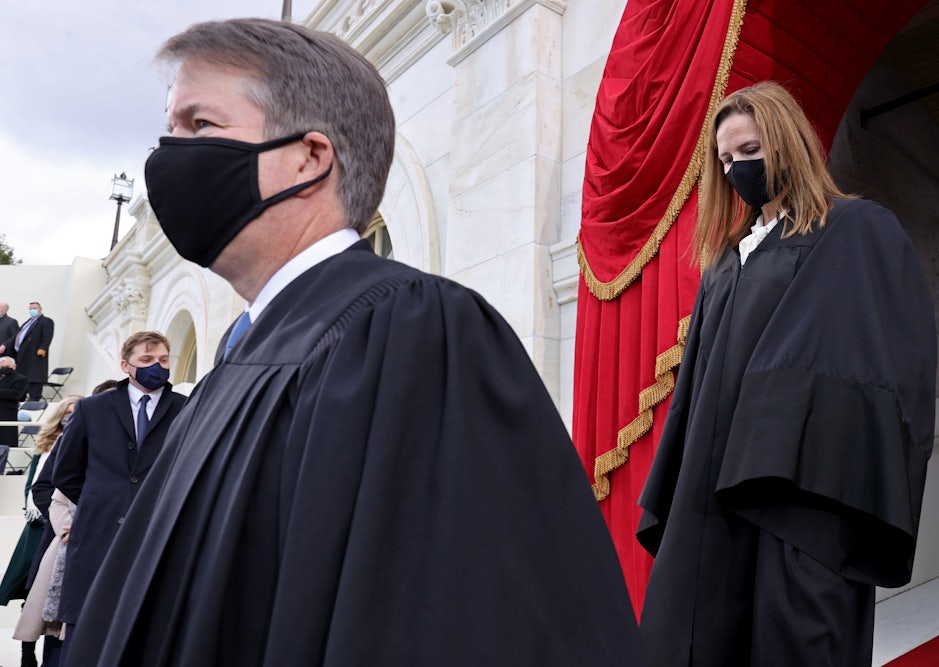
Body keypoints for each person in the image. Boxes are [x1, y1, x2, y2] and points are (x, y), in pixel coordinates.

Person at [66, 18, 642, 667]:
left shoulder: (415, 335)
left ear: (310, 158)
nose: (167, 159)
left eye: (200, 126)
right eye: (168, 130)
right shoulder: (238, 353)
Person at [635, 81, 937, 666]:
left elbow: (879, 368)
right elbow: (695, 392)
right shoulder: (725, 262)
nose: (736, 168)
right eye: (725, 160)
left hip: (797, 502)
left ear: (788, 142)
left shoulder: (851, 230)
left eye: (749, 151)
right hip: (713, 495)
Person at [50, 332, 186, 661]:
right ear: (126, 365)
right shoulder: (93, 409)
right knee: (86, 633)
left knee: (149, 629)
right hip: (98, 536)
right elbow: (65, 472)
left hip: (159, 534)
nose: (157, 366)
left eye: (164, 360)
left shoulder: (187, 409)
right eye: (147, 360)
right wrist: (101, 502)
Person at [6, 396, 81, 667]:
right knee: (33, 593)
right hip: (41, 527)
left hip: (55, 525)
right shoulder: (48, 445)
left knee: (44, 594)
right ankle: (28, 650)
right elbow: (35, 486)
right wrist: (51, 513)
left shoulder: (81, 443)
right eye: (68, 413)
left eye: (77, 413)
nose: (71, 418)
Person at [0, 303, 54, 402]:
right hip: (22, 357)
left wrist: (43, 348)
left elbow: (47, 336)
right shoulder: (27, 322)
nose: (32, 310)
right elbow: (16, 336)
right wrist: (5, 345)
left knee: (34, 386)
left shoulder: (46, 321)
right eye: (30, 308)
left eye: (34, 308)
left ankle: (32, 406)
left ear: (40, 309)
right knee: (21, 388)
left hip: (34, 356)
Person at [0, 356, 28, 457]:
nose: (4, 368)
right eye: (1, 366)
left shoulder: (20, 379)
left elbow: (15, 394)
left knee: (6, 441)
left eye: (7, 366)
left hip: (7, 413)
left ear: (14, 366)